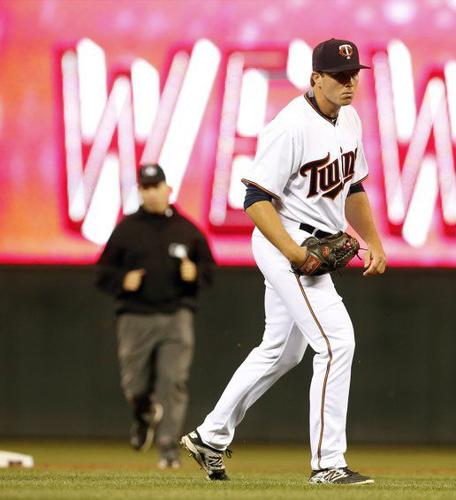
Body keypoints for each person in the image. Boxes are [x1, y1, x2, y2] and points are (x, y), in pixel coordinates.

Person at [181, 38, 386, 484]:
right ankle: (328, 464)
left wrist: (373, 240)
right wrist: (293, 253)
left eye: (354, 74)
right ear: (316, 78)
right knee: (336, 343)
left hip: (312, 244)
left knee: (282, 351)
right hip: (287, 242)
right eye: (339, 75)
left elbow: (352, 189)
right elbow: (254, 199)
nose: (350, 82)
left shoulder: (349, 119)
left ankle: (210, 436)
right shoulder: (290, 126)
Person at [96, 163, 215, 469]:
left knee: (173, 382)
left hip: (176, 315)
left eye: (155, 186)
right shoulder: (126, 229)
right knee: (134, 384)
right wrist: (122, 280)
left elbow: (209, 271)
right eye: (145, 188)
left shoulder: (187, 230)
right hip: (135, 317)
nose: (150, 193)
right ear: (140, 191)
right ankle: (143, 414)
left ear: (168, 189)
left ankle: (168, 450)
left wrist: (196, 273)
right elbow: (102, 273)